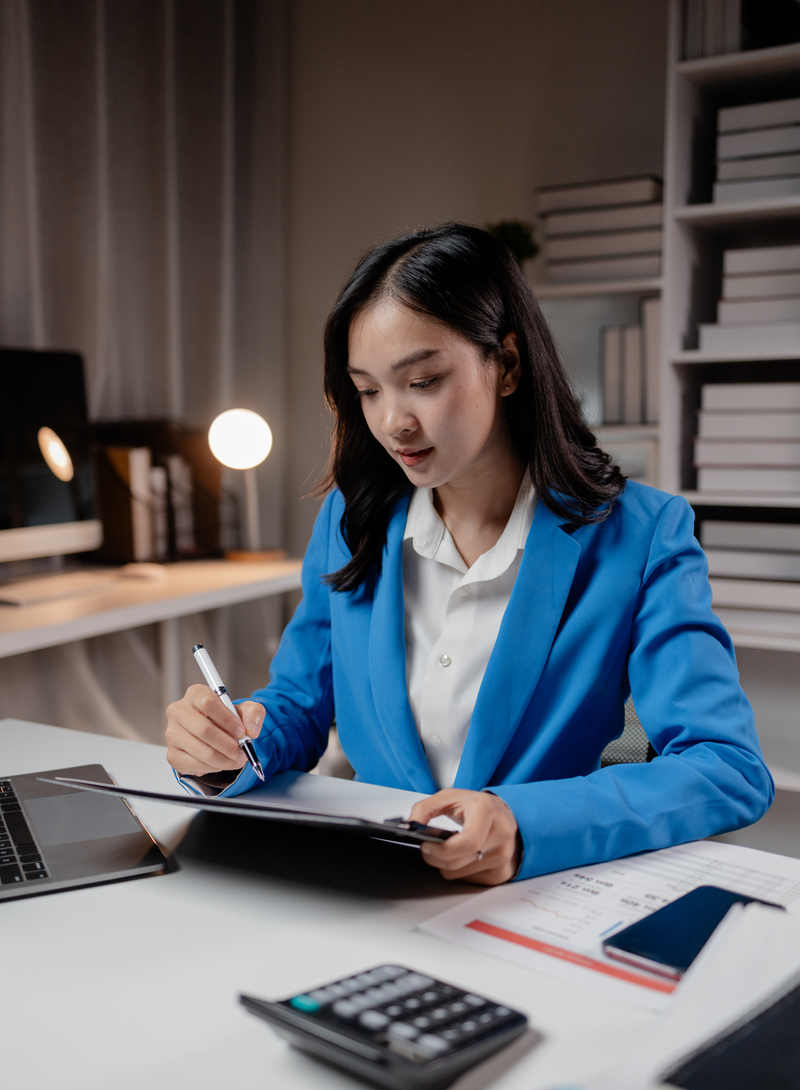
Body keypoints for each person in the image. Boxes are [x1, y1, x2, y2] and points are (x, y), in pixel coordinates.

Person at [165, 223, 773, 885]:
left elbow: (726, 768)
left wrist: (519, 823)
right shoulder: (350, 519)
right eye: (368, 390)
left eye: (422, 381)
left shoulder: (642, 533)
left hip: (534, 897)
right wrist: (232, 744)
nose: (394, 420)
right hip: (369, 889)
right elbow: (299, 709)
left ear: (507, 364)